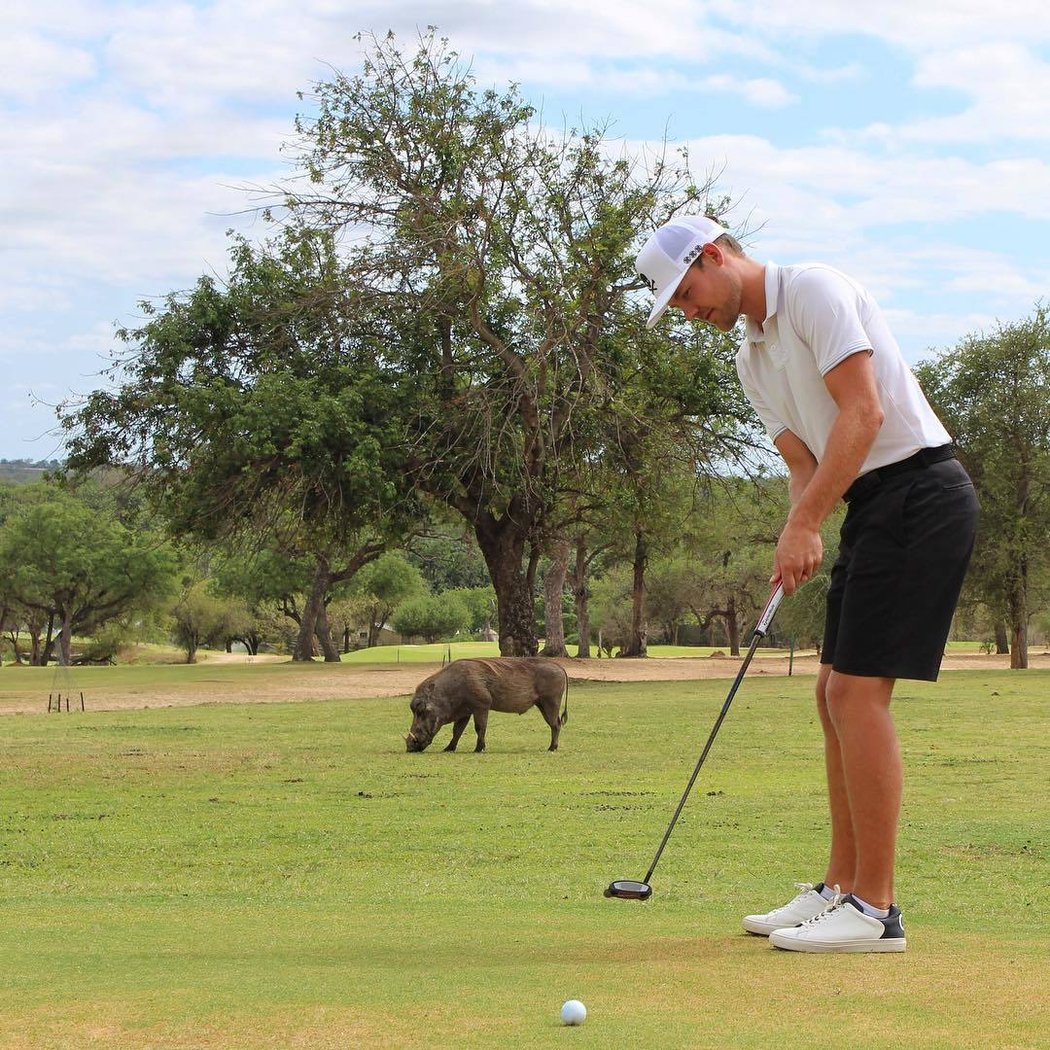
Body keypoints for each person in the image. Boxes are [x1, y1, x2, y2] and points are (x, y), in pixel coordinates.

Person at [634, 214, 978, 953]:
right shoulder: (750, 361)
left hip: (922, 492)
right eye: (680, 309)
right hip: (870, 504)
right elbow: (801, 462)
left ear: (715, 256)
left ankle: (876, 909)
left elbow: (865, 412)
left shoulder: (816, 290)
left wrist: (808, 523)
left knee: (857, 693)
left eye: (688, 295)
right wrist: (797, 533)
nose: (691, 314)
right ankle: (838, 888)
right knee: (831, 693)